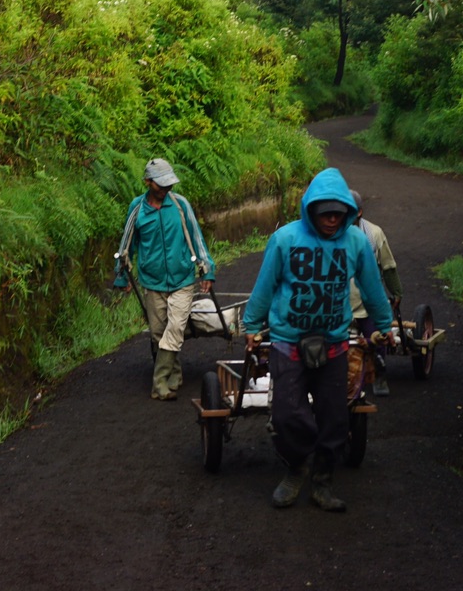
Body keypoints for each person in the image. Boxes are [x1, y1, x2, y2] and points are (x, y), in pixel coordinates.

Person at [242, 166, 394, 512]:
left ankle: (323, 482)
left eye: (338, 214)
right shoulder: (285, 240)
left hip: (334, 341)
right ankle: (297, 467)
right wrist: (252, 325)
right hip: (287, 340)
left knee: (336, 417)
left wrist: (384, 324)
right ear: (310, 209)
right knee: (286, 415)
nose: (331, 220)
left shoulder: (355, 242)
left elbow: (371, 287)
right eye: (325, 213)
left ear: (348, 213)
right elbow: (265, 286)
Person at [113, 157, 215, 399]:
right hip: (152, 280)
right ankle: (175, 374)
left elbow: (196, 237)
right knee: (159, 332)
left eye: (169, 185)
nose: (167, 189)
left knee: (176, 326)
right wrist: (121, 274)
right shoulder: (137, 209)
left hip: (182, 279)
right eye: (161, 185)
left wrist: (206, 268)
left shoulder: (180, 205)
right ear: (148, 182)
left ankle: (158, 383)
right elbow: (127, 243)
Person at [347, 189, 403, 395]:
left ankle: (379, 376)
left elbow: (388, 267)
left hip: (366, 303)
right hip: (342, 305)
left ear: (359, 212)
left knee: (377, 340)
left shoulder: (373, 234)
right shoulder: (332, 237)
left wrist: (396, 292)